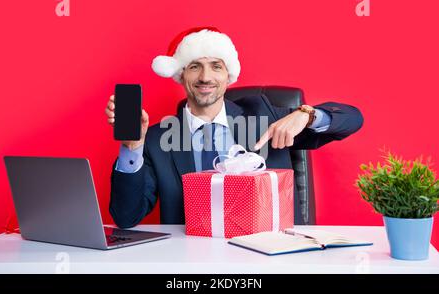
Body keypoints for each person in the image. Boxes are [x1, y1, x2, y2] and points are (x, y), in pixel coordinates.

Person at [105, 27, 363, 228]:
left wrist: (305, 115)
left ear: (228, 76)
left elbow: (352, 119)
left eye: (216, 66)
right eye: (195, 66)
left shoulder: (264, 114)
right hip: (190, 260)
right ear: (181, 75)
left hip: (267, 253)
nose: (205, 77)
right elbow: (126, 218)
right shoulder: (156, 139)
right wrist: (133, 146)